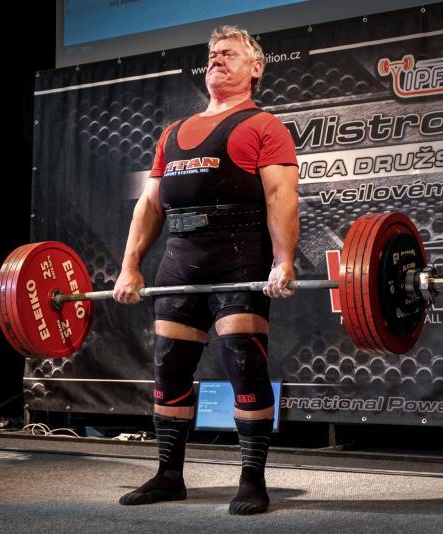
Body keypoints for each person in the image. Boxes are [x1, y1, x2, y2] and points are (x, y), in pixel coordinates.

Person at [113, 25, 299, 515]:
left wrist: (283, 260)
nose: (217, 58)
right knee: (169, 364)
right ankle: (168, 475)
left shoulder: (265, 126)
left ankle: (252, 480)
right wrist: (130, 267)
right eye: (213, 53)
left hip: (239, 254)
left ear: (255, 68)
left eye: (229, 53)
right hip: (180, 257)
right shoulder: (173, 133)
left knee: (243, 361)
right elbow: (149, 206)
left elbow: (280, 196)